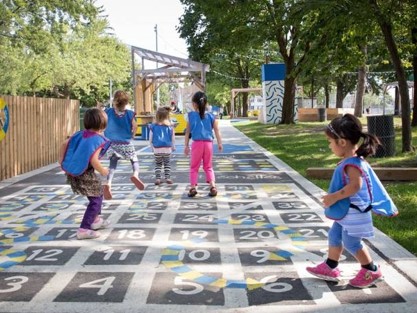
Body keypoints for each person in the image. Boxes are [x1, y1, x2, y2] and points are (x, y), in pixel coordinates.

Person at [306, 113, 386, 288]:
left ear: (342, 142)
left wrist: (333, 197)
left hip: (355, 212)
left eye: (330, 142)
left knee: (351, 242)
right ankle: (330, 266)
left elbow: (354, 187)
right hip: (347, 212)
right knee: (335, 235)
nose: (329, 146)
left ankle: (370, 270)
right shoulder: (352, 161)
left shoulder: (352, 164)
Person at [59, 108, 110, 240]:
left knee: (97, 193)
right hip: (85, 173)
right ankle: (84, 228)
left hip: (75, 172)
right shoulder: (97, 140)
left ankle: (95, 220)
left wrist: (61, 162)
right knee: (96, 199)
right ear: (102, 124)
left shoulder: (80, 134)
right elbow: (94, 160)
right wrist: (103, 170)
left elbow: (64, 143)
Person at [103, 90, 144, 200]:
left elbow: (102, 121)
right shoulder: (130, 114)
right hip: (126, 142)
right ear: (126, 103)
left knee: (112, 164)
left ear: (114, 101)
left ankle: (109, 182)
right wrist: (133, 135)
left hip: (112, 143)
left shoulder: (108, 111)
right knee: (134, 159)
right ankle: (135, 174)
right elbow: (135, 126)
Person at [184, 91, 223, 197]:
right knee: (208, 166)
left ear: (194, 104)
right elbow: (216, 130)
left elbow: (187, 132)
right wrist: (219, 143)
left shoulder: (191, 116)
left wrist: (186, 145)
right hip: (208, 144)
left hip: (197, 144)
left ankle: (193, 188)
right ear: (206, 103)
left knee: (194, 167)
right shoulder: (211, 116)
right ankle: (212, 186)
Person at [149, 106, 176, 185]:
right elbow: (173, 138)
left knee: (158, 164)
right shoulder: (170, 127)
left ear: (157, 116)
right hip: (167, 148)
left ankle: (158, 178)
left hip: (157, 148)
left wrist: (151, 146)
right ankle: (168, 178)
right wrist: (173, 146)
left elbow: (150, 138)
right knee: (167, 163)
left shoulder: (153, 126)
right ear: (167, 116)